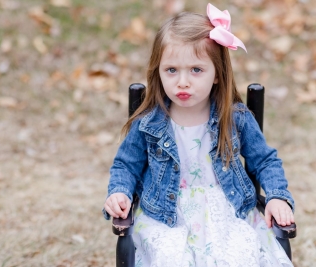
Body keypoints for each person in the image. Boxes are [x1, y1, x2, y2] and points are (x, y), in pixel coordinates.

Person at [103, 3, 295, 266]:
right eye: (171, 70)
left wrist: (276, 196)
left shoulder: (235, 117)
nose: (183, 81)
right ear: (158, 72)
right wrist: (120, 193)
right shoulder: (148, 123)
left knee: (236, 255)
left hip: (227, 213)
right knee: (171, 257)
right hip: (166, 215)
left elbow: (265, 161)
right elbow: (126, 165)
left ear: (217, 74)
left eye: (196, 70)